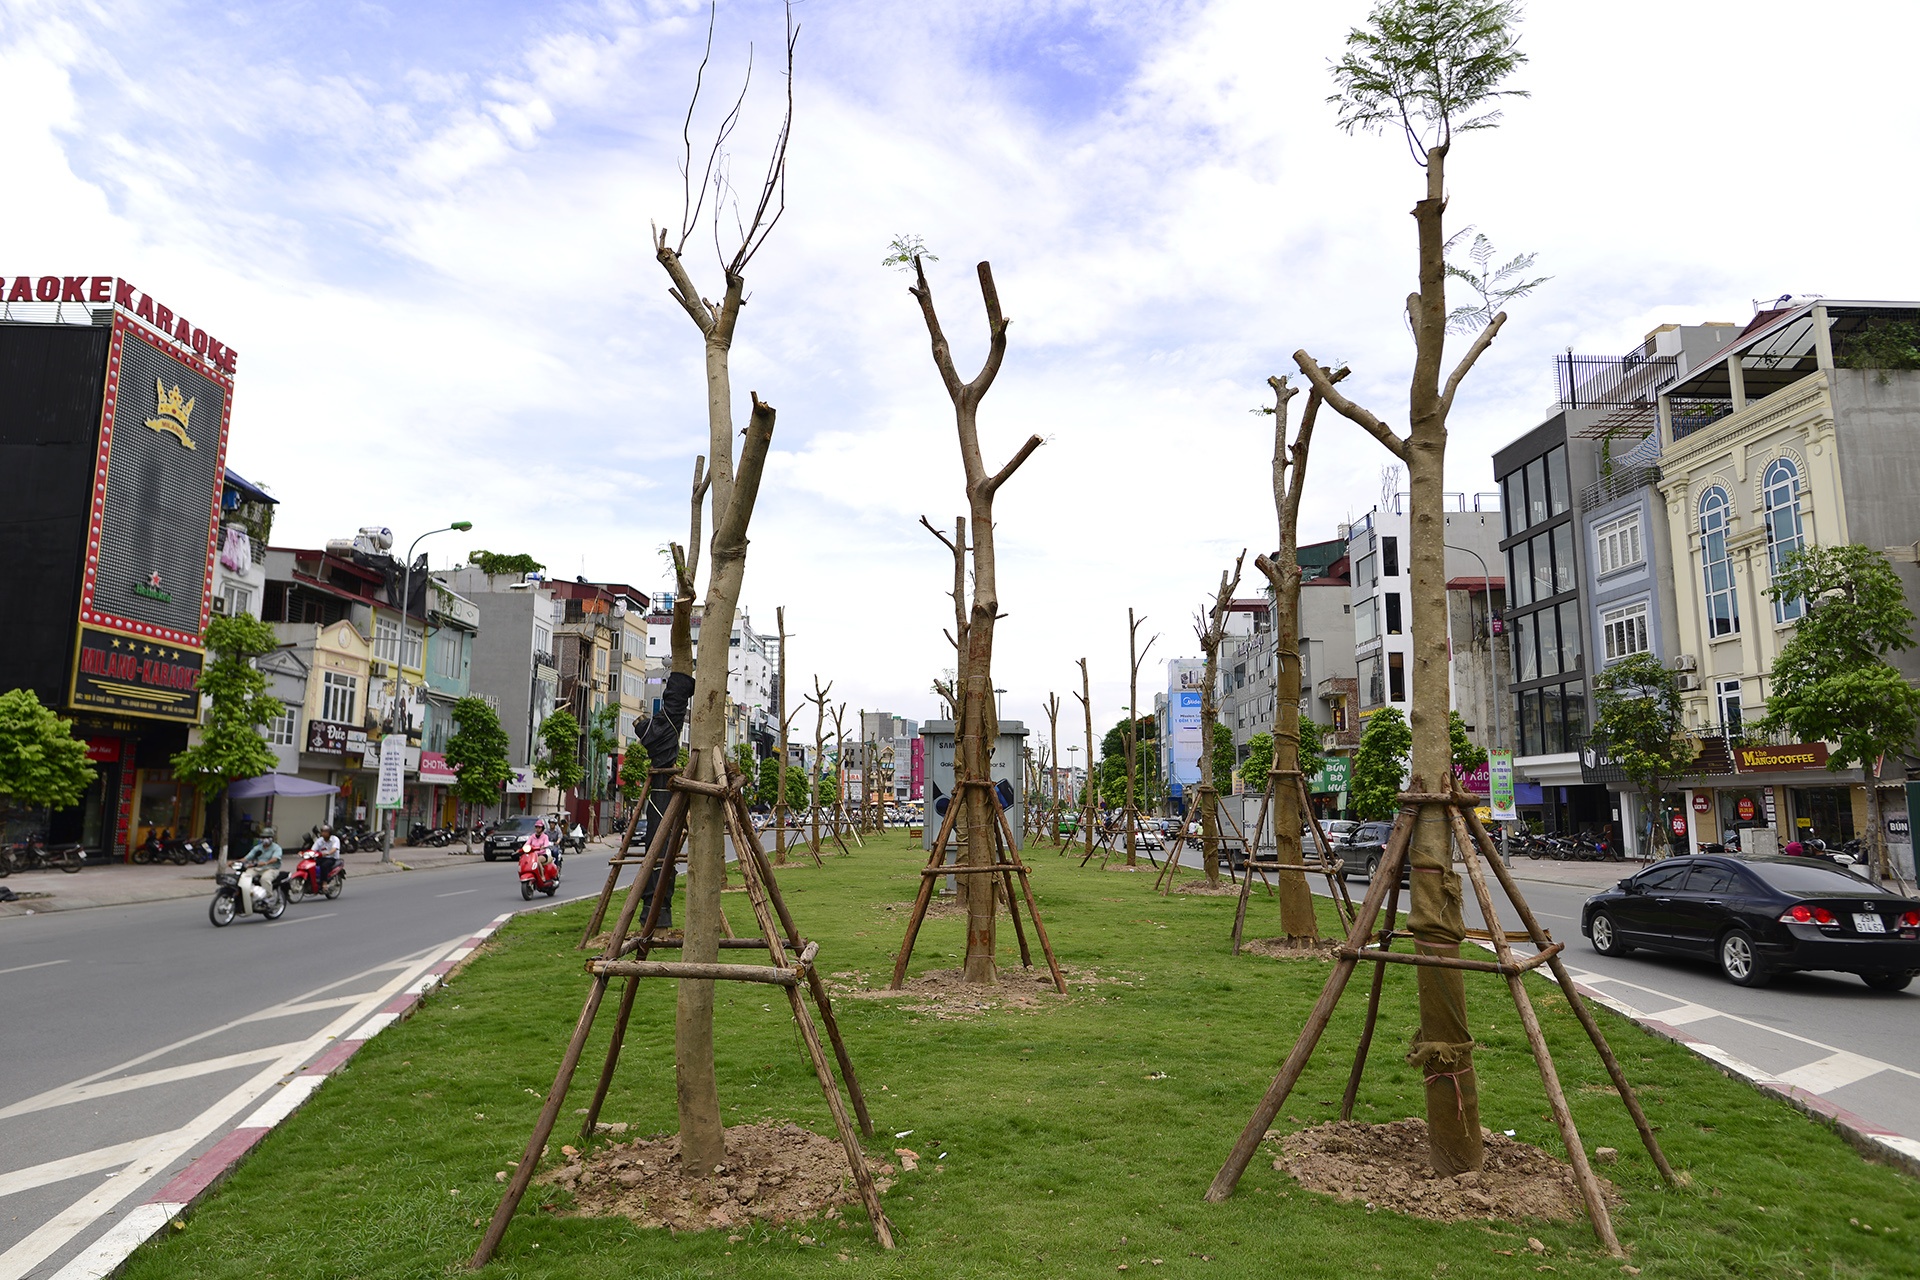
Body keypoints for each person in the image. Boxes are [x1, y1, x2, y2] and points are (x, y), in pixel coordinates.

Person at [631, 670, 695, 929]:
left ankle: (657, 911)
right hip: (662, 782)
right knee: (658, 851)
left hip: (664, 780)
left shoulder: (661, 728)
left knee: (661, 849)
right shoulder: (661, 731)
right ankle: (654, 913)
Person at [238, 826, 282, 913]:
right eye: (263, 837)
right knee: (245, 877)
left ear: (271, 838)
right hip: (258, 868)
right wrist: (235, 862)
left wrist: (266, 863)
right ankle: (251, 894)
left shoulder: (276, 848)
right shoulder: (258, 847)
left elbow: (275, 859)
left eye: (267, 837)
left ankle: (268, 898)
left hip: (271, 868)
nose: (264, 839)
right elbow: (247, 857)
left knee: (265, 879)